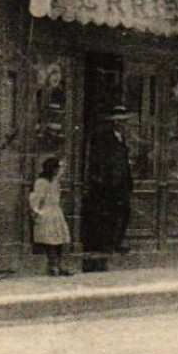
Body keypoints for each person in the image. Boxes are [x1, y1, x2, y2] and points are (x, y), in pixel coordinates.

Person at [82, 105, 134, 272]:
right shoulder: (104, 138)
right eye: (122, 122)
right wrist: (103, 179)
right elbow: (99, 160)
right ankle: (107, 245)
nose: (126, 125)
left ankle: (116, 243)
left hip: (122, 184)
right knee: (108, 214)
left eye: (126, 122)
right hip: (108, 184)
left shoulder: (122, 139)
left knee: (123, 212)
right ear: (115, 123)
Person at [29, 156, 73, 277]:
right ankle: (53, 266)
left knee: (57, 240)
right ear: (52, 169)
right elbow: (39, 198)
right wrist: (36, 211)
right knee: (51, 240)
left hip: (54, 211)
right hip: (47, 211)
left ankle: (57, 265)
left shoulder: (54, 180)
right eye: (57, 168)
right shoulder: (42, 182)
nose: (59, 170)